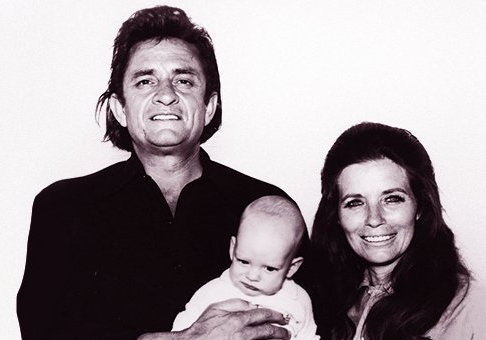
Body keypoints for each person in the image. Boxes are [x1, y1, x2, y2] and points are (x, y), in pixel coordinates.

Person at [17, 6, 298, 340]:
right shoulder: (62, 208)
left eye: (183, 80)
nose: (166, 95)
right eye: (145, 81)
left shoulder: (266, 207)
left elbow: (301, 321)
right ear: (120, 108)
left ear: (208, 106)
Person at [308, 122, 486, 340]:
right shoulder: (312, 302)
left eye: (392, 199)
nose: (374, 219)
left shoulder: (474, 308)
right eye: (355, 203)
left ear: (420, 206)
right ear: (337, 216)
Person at [172, 195, 319, 340]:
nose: (252, 276)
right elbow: (183, 332)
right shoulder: (211, 293)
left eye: (269, 268)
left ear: (292, 267)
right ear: (233, 249)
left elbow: (309, 336)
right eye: (244, 261)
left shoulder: (298, 300)